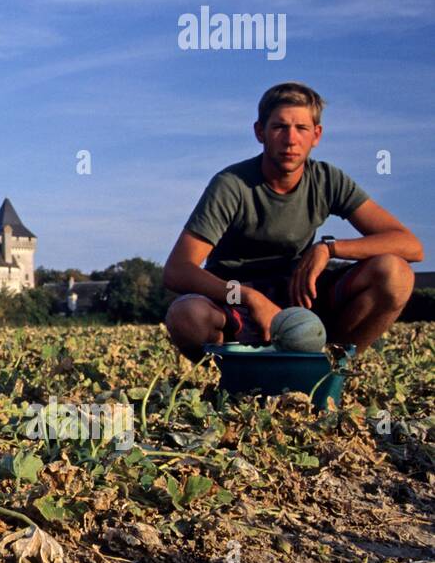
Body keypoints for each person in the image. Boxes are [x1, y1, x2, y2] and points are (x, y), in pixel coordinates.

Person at [163, 82, 422, 360]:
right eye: (279, 127)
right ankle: (233, 378)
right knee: (186, 315)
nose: (290, 139)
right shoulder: (232, 185)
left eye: (301, 128)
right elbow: (177, 270)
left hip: (300, 295)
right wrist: (249, 298)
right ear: (260, 132)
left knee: (394, 274)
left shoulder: (328, 180)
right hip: (236, 301)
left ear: (316, 135)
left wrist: (328, 249)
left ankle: (331, 368)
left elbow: (410, 246)